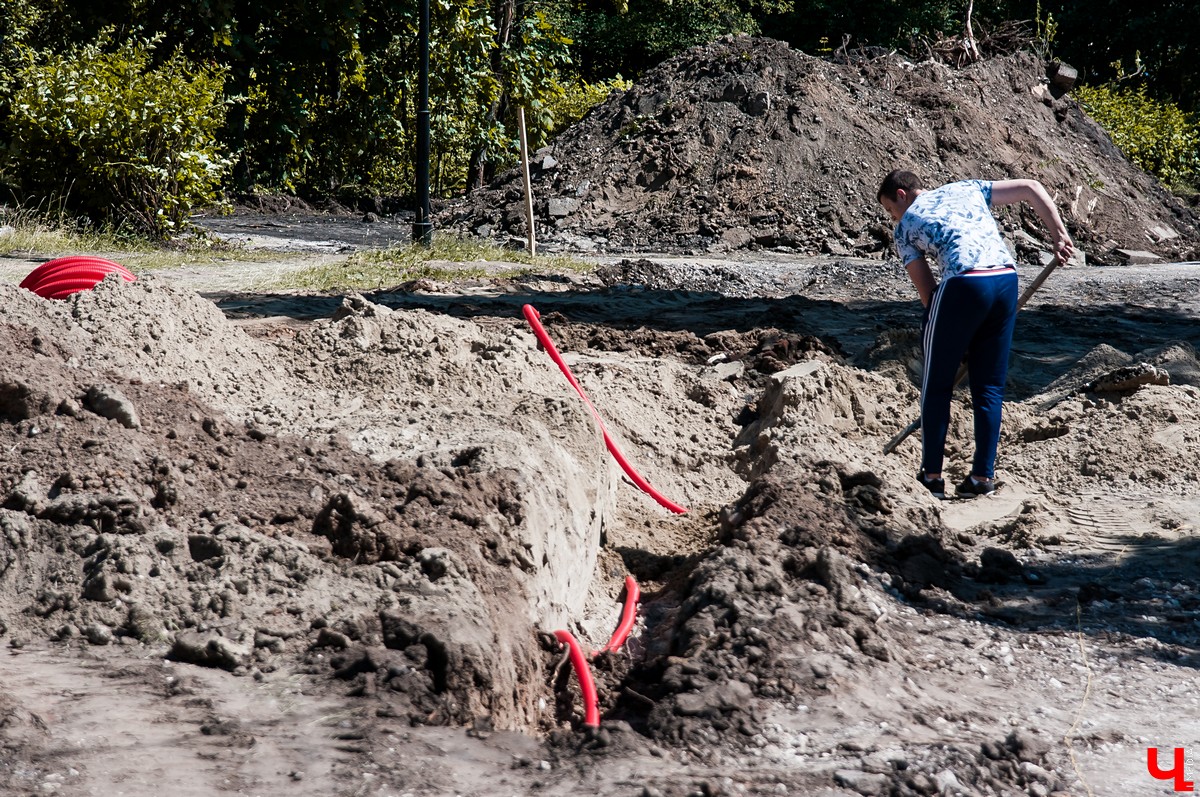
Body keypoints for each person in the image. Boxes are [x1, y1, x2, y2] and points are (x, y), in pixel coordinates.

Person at [877, 170, 1074, 499]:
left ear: (901, 194)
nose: (893, 217)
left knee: (937, 385)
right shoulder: (966, 188)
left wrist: (954, 335)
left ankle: (931, 477)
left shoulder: (905, 225)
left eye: (890, 209)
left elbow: (929, 295)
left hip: (964, 283)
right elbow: (1030, 187)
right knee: (989, 388)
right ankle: (982, 477)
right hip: (1005, 280)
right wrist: (1059, 234)